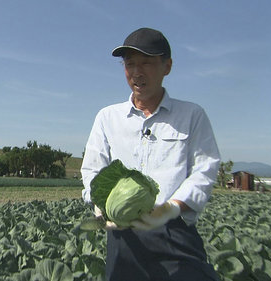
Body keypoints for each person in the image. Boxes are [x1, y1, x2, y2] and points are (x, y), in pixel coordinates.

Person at [81, 28, 221, 281]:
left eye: (146, 62)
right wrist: (101, 206)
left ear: (167, 66)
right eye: (130, 64)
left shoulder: (191, 115)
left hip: (175, 235)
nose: (137, 72)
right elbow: (92, 170)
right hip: (123, 239)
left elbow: (205, 169)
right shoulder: (107, 117)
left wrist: (171, 208)